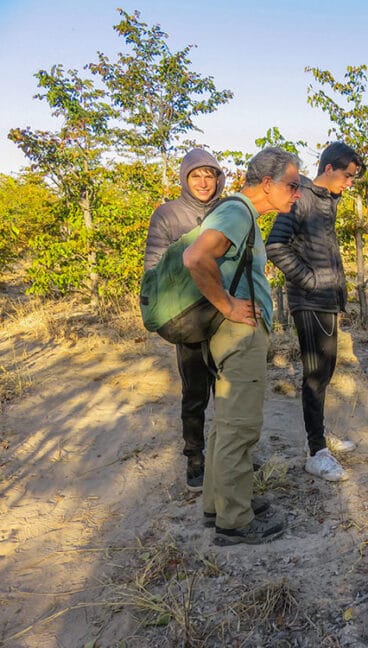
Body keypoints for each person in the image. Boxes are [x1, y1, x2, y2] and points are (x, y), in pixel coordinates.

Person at [183, 147, 302, 545]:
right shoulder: (236, 212)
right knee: (240, 427)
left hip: (231, 334)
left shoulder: (241, 213)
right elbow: (196, 257)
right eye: (292, 185)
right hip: (238, 335)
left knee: (226, 424)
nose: (296, 193)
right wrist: (228, 305)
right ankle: (234, 521)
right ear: (267, 184)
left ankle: (219, 503)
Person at [266, 142, 365, 482]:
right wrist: (308, 280)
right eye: (348, 176)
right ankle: (315, 452)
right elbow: (275, 245)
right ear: (329, 169)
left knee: (325, 372)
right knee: (314, 373)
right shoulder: (302, 197)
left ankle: (319, 436)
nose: (350, 183)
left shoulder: (326, 201)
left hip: (326, 299)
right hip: (308, 300)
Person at [143, 149, 225, 491]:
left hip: (225, 311)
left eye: (210, 175)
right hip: (188, 315)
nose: (204, 182)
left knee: (230, 389)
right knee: (195, 390)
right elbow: (154, 266)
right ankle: (195, 455)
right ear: (184, 179)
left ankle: (228, 454)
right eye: (197, 176)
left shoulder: (227, 210)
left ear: (219, 179)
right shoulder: (167, 214)